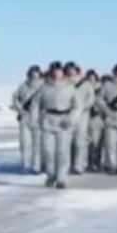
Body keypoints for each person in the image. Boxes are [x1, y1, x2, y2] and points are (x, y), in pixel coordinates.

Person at [36, 61, 77, 189]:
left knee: (62, 152)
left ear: (62, 72)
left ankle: (61, 178)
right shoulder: (44, 87)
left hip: (64, 120)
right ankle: (51, 174)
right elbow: (35, 105)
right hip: (48, 120)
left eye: (58, 70)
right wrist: (35, 120)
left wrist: (71, 119)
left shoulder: (70, 87)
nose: (56, 73)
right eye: (54, 70)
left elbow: (77, 106)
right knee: (48, 151)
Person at [10, 66, 44, 174]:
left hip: (39, 118)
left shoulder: (44, 86)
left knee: (37, 144)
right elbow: (15, 99)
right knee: (24, 143)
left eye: (36, 73)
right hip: (25, 118)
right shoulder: (23, 86)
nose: (34, 75)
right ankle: (25, 165)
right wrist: (20, 110)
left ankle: (36, 166)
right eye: (32, 73)